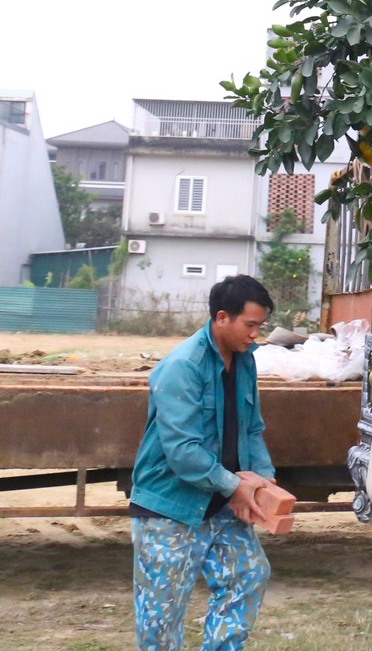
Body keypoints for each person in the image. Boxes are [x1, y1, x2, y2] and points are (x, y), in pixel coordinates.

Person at [129, 274, 278, 651]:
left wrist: (265, 482)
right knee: (161, 615)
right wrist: (236, 487)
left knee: (248, 575)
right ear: (222, 317)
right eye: (250, 325)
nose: (255, 335)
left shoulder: (245, 362)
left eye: (260, 326)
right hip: (171, 505)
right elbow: (183, 452)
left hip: (223, 500)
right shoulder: (182, 366)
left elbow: (252, 429)